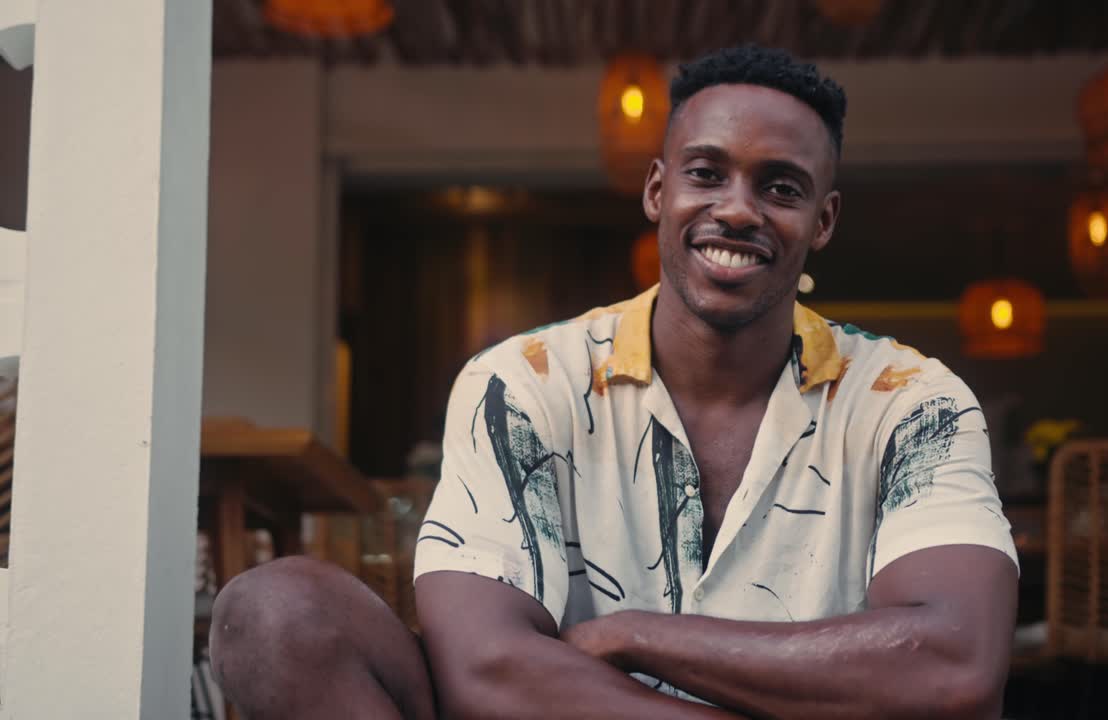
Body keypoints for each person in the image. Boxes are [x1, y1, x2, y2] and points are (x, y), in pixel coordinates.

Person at [210, 45, 1019, 719]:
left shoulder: (914, 403)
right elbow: (486, 669)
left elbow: (955, 667)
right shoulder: (522, 385)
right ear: (658, 191)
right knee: (276, 614)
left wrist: (635, 633)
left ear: (824, 220)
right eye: (707, 173)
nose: (738, 210)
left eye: (780, 187)